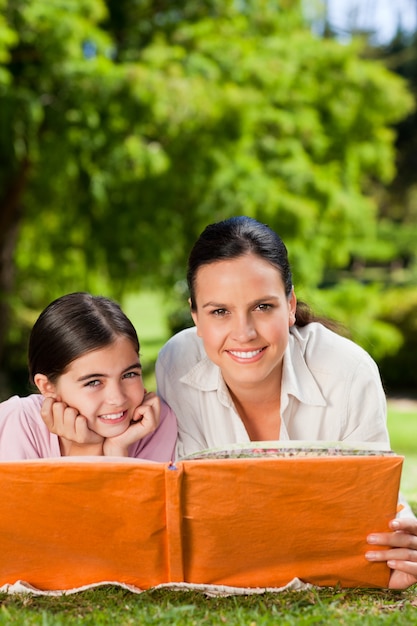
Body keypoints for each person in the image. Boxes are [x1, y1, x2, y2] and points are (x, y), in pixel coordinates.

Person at [155, 215, 417, 590]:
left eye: (263, 307)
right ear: (195, 317)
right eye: (219, 311)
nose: (243, 333)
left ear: (290, 305)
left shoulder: (349, 371)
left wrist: (395, 541)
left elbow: (369, 507)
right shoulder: (176, 363)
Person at [0, 292, 177, 462]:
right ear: (47, 387)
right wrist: (86, 451)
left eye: (129, 374)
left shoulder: (155, 424)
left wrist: (117, 451)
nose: (117, 399)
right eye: (93, 382)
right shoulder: (17, 424)